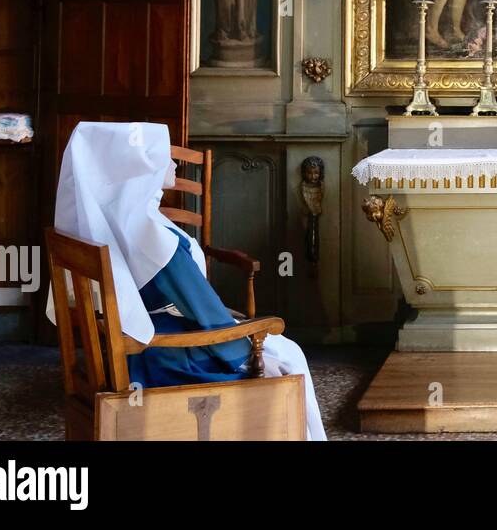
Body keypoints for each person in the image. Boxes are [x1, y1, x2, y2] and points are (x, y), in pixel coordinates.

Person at [50, 122, 326, 440]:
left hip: (120, 350)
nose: (174, 162)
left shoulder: (101, 219)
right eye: (161, 155)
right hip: (158, 357)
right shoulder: (150, 236)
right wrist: (249, 352)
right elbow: (205, 313)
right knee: (288, 353)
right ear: (140, 166)